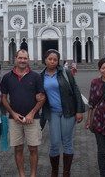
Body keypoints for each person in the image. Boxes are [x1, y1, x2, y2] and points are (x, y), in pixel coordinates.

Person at [40, 49, 85, 177]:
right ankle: (54, 171)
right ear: (45, 60)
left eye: (55, 59)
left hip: (68, 112)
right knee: (54, 143)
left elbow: (75, 90)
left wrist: (79, 110)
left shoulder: (66, 72)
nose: (52, 62)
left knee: (67, 142)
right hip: (52, 113)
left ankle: (66, 172)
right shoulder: (41, 76)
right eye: (50, 59)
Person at [1, 49, 46, 177]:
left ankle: (33, 175)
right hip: (14, 119)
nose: (22, 60)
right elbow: (3, 97)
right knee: (18, 148)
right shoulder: (7, 77)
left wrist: (32, 113)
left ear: (28, 59)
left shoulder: (36, 77)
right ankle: (22, 174)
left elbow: (42, 98)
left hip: (33, 119)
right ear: (15, 59)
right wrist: (13, 113)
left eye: (25, 58)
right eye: (20, 58)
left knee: (33, 148)